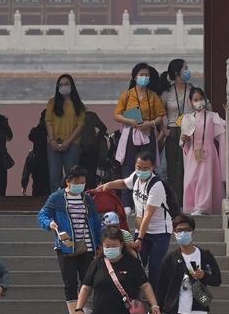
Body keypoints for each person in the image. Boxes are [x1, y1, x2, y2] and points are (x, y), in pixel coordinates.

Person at [38, 165, 102, 314]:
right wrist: (49, 223)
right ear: (68, 181)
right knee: (69, 282)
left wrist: (99, 244)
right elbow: (42, 215)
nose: (80, 186)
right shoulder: (57, 198)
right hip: (66, 246)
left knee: (87, 280)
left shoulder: (87, 199)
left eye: (82, 183)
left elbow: (95, 222)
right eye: (77, 183)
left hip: (87, 246)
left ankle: (82, 304)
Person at [98, 151, 173, 293]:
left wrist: (139, 239)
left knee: (155, 266)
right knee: (135, 263)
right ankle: (133, 294)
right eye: (138, 167)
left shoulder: (156, 186)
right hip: (141, 229)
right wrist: (108, 185)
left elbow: (147, 215)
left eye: (145, 168)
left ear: (152, 168)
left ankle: (154, 298)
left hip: (159, 232)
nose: (141, 171)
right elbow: (124, 183)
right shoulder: (136, 177)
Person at [114, 63, 168, 214]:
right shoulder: (127, 95)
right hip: (131, 134)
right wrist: (129, 121)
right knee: (128, 168)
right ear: (135, 77)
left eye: (146, 75)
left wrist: (151, 123)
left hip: (147, 133)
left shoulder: (153, 96)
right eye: (141, 75)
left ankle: (147, 201)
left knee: (148, 167)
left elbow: (160, 117)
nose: (144, 78)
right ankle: (127, 204)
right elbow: (117, 115)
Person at [180, 87, 226, 216]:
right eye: (195, 100)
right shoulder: (188, 118)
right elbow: (183, 139)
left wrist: (228, 112)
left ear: (205, 100)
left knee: (205, 179)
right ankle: (190, 206)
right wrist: (184, 138)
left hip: (208, 151)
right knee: (191, 179)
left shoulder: (212, 116)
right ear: (190, 102)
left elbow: (224, 126)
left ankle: (202, 207)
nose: (198, 102)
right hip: (193, 152)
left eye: (201, 99)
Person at [159, 59, 195, 206]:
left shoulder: (193, 90)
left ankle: (190, 202)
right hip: (173, 131)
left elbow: (206, 107)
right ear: (176, 72)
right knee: (174, 169)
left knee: (190, 168)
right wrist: (165, 130)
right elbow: (158, 114)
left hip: (191, 132)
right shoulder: (167, 93)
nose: (187, 70)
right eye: (185, 68)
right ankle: (176, 203)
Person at [45, 74, 86, 191]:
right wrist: (52, 139)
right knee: (54, 176)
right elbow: (48, 121)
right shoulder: (52, 103)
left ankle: (73, 199)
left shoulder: (78, 105)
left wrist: (68, 142)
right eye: (61, 85)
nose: (64, 87)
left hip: (72, 144)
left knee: (72, 176)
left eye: (66, 84)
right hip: (54, 143)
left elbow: (80, 124)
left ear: (72, 86)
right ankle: (56, 199)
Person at [21, 110, 50, 197]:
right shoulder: (39, 131)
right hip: (40, 164)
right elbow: (32, 136)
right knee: (39, 188)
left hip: (45, 164)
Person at [79, 108, 108, 189]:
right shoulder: (90, 116)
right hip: (88, 148)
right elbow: (103, 128)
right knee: (90, 174)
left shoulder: (89, 116)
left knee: (85, 175)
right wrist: (96, 143)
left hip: (87, 149)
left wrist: (95, 143)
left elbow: (103, 128)